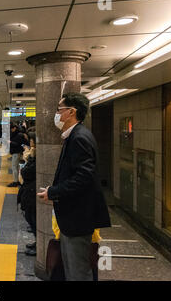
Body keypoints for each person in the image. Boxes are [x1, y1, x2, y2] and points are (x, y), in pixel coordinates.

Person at [37, 92, 111, 281]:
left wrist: (53, 192)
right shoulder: (76, 135)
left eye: (59, 110)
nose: (56, 114)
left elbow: (83, 178)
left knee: (78, 271)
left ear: (71, 112)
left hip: (78, 219)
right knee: (73, 268)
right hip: (75, 217)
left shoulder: (79, 138)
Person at [17, 132, 37, 256]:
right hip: (29, 190)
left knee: (33, 218)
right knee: (31, 217)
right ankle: (37, 242)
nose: (30, 142)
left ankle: (38, 245)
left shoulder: (36, 155)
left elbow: (27, 171)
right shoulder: (34, 154)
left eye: (31, 140)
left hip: (31, 190)